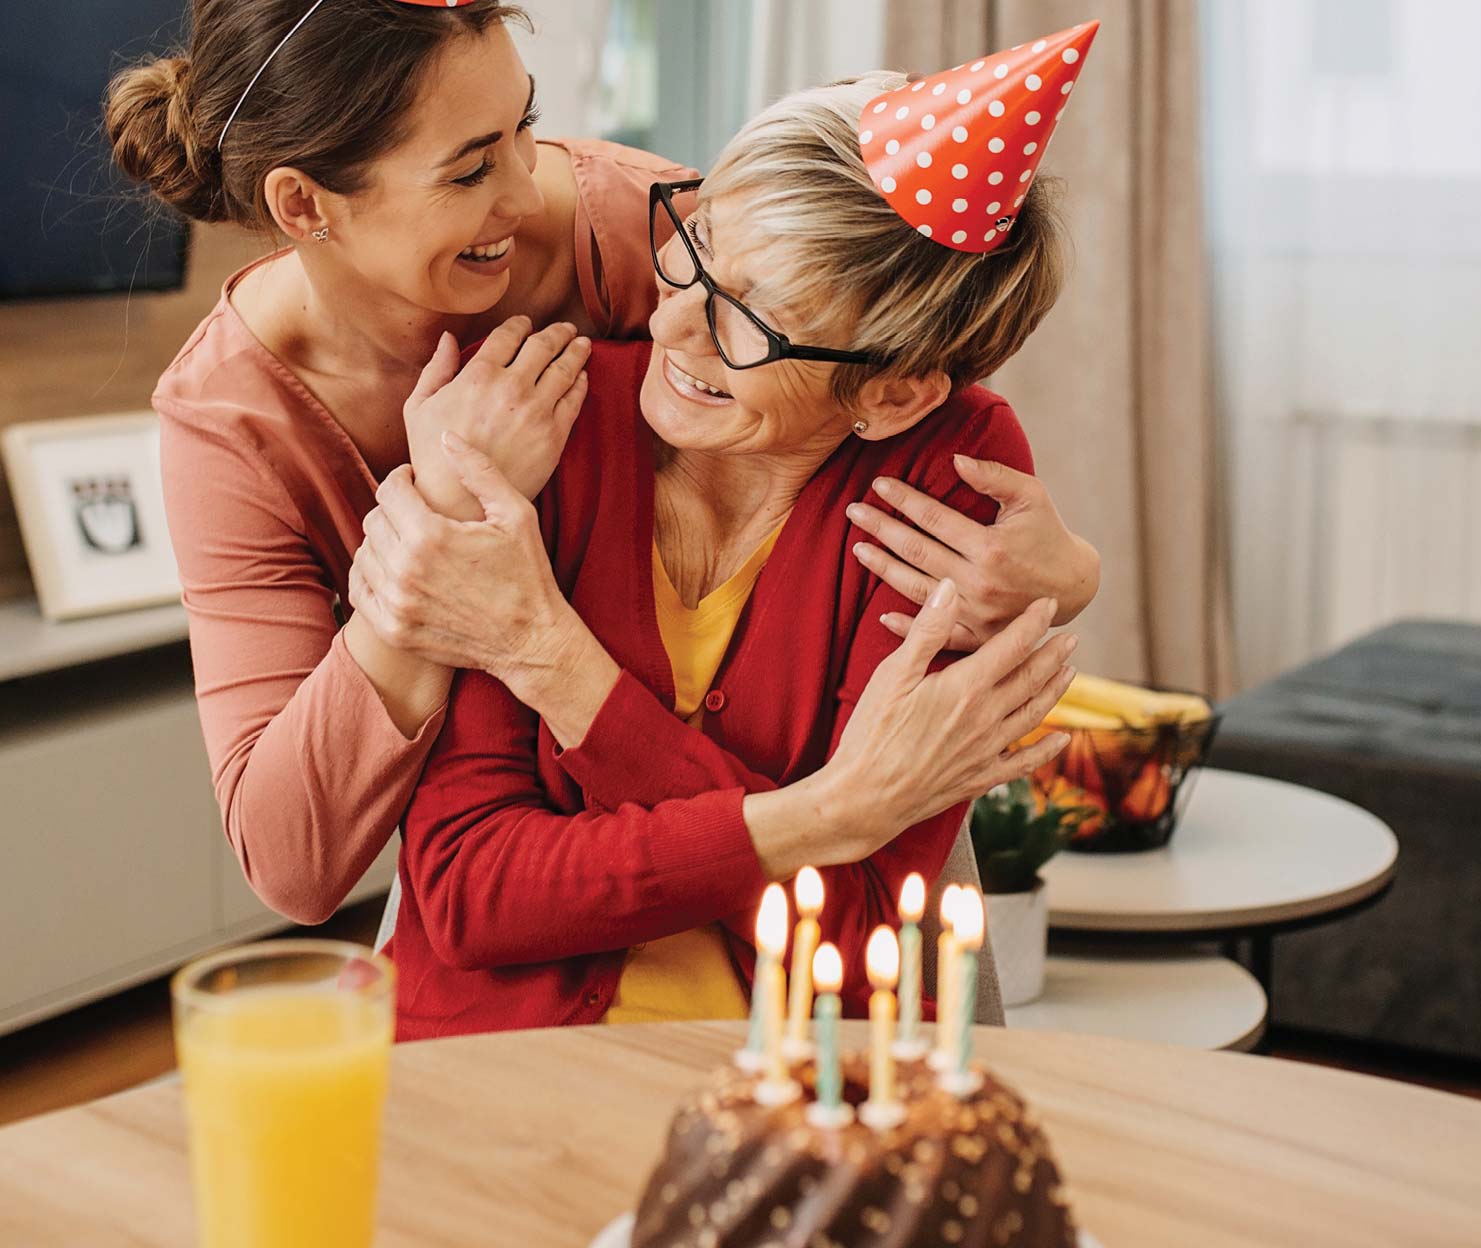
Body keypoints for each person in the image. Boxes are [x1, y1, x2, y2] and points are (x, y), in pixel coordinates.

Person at [103, 0, 1100, 924]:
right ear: (304, 205)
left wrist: (1065, 575)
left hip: (819, 924)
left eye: (523, 127)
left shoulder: (648, 226)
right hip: (559, 903)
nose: (525, 184)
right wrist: (438, 539)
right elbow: (304, 863)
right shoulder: (234, 425)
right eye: (468, 169)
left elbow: (897, 349)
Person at [390, 31, 1100, 1038]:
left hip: (792, 1088)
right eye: (697, 254)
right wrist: (821, 817)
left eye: (750, 322)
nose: (671, 328)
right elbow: (471, 892)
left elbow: (855, 944)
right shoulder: (544, 416)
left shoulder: (944, 491)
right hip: (500, 1076)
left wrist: (553, 663)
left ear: (891, 394)